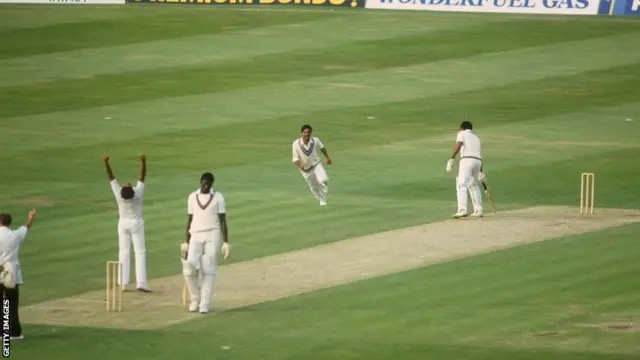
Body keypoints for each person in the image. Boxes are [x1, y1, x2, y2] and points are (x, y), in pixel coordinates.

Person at [182, 172, 230, 314]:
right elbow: (189, 219)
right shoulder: (192, 197)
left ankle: (205, 303)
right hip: (195, 234)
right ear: (200, 182)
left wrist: (226, 242)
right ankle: (195, 299)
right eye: (203, 184)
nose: (204, 187)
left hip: (212, 233)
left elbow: (222, 220)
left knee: (208, 270)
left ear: (211, 184)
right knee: (189, 269)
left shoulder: (218, 197)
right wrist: (186, 241)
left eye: (207, 185)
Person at [103, 154, 151, 292]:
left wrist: (106, 163)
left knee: (123, 251)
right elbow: (142, 176)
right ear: (132, 191)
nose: (126, 183)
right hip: (136, 223)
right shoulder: (138, 194)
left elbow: (111, 177)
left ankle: (123, 282)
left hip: (123, 223)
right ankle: (141, 282)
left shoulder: (119, 194)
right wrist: (143, 161)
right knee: (140, 252)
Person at [0, 208, 37, 340]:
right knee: (12, 303)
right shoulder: (14, 235)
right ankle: (14, 332)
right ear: (9, 223)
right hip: (11, 273)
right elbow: (26, 227)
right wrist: (31, 218)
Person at [446, 120, 484, 218]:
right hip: (478, 161)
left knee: (461, 184)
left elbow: (458, 145)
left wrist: (452, 158)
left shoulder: (461, 133)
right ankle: (478, 210)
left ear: (462, 128)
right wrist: (481, 170)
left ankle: (462, 210)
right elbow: (478, 153)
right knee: (474, 185)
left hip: (467, 160)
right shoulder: (476, 138)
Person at [292, 124, 333, 206]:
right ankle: (321, 199)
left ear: (311, 133)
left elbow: (322, 148)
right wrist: (300, 165)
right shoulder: (296, 144)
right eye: (305, 132)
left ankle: (324, 198)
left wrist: (327, 157)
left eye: (308, 132)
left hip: (316, 164)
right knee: (314, 187)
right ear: (302, 133)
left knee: (323, 180)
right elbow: (295, 158)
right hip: (305, 170)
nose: (307, 134)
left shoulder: (315, 140)